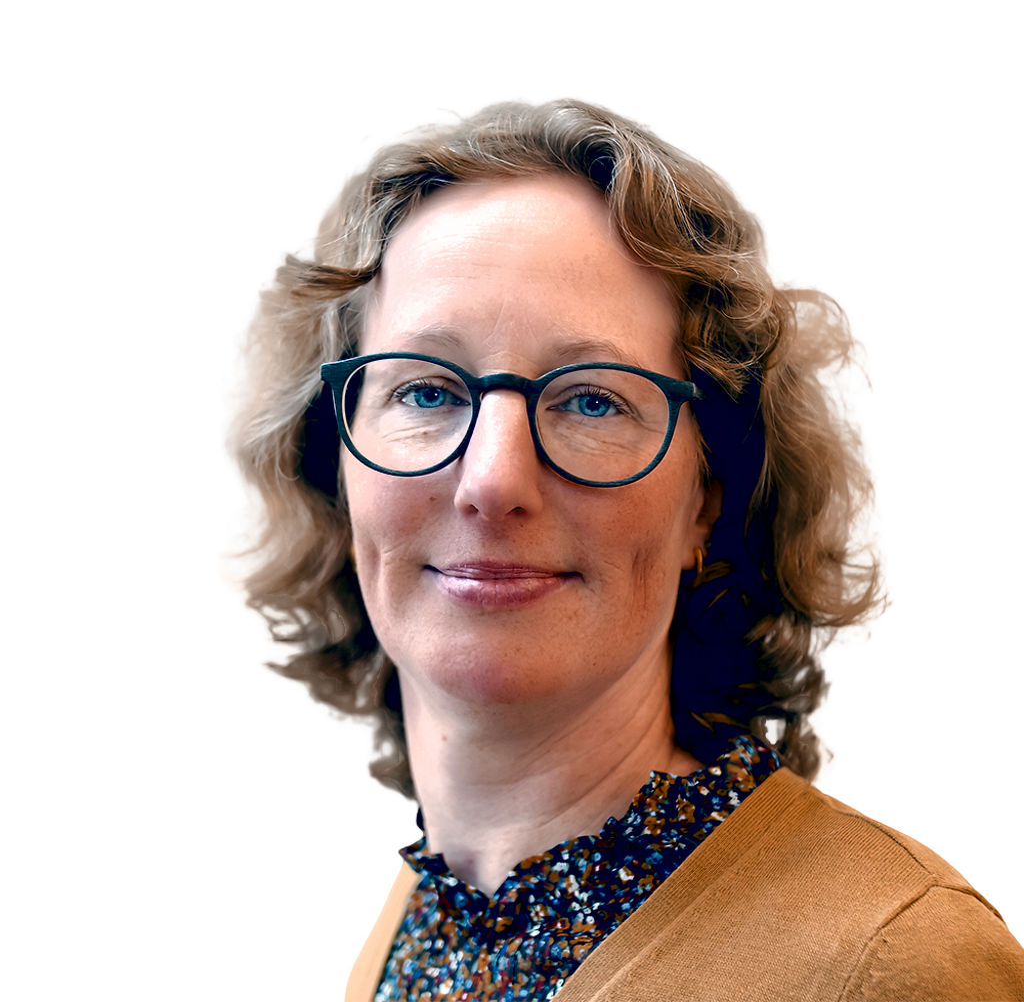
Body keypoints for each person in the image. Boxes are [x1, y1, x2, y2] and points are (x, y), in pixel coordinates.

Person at [232, 100, 1024, 1000]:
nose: (493, 479)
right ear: (333, 467)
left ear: (707, 499)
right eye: (425, 392)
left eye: (592, 400)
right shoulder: (420, 932)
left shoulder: (889, 965)